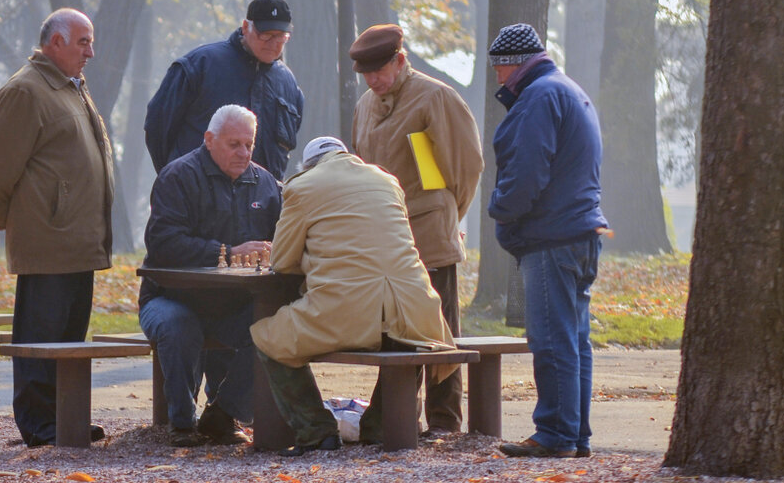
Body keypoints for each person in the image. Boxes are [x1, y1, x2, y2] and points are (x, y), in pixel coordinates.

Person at [251, 137, 457, 457]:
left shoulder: (302, 186)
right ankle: (380, 427)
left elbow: (282, 261)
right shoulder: (387, 180)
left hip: (345, 310)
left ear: (308, 166)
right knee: (412, 339)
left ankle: (316, 430)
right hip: (415, 305)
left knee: (268, 338)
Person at [0, 8, 114, 447]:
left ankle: (65, 419)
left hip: (79, 240)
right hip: (48, 239)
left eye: (90, 42)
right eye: (82, 42)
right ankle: (39, 424)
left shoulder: (72, 88)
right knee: (42, 340)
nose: (91, 51)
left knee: (69, 340)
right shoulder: (26, 91)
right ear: (54, 43)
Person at [349, 24, 484, 436]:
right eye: (366, 74)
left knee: (440, 330)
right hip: (386, 237)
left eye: (380, 71)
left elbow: (464, 167)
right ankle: (394, 416)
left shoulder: (435, 97)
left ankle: (444, 422)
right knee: (392, 327)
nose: (373, 81)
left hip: (429, 233)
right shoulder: (365, 106)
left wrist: (446, 215)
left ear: (401, 61)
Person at [486, 23, 608, 459]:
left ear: (513, 64)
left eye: (499, 67)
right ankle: (576, 434)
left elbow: (527, 173)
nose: (498, 78)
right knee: (574, 338)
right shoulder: (567, 90)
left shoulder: (539, 97)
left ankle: (555, 433)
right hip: (580, 232)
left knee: (552, 338)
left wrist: (500, 209)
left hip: (550, 237)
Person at [140, 104, 282, 447]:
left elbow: (284, 238)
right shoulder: (178, 177)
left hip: (233, 303)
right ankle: (182, 423)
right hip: (170, 297)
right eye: (234, 144)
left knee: (278, 323)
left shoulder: (265, 184)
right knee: (178, 325)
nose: (243, 152)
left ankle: (223, 413)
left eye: (249, 144)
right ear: (209, 140)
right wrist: (228, 252)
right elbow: (162, 243)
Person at [145, 0, 305, 181]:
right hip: (195, 199)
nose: (273, 43)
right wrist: (176, 182)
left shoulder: (288, 84)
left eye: (280, 37)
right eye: (266, 35)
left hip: (260, 204)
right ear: (246, 27)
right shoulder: (200, 65)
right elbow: (158, 126)